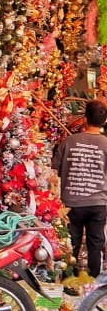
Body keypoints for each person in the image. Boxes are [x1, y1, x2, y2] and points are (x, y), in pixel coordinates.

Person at [52, 99, 107, 278]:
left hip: (71, 203)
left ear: (84, 118)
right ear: (104, 121)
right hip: (98, 202)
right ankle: (93, 284)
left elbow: (55, 170)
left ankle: (69, 282)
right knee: (96, 243)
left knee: (70, 243)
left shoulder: (69, 142)